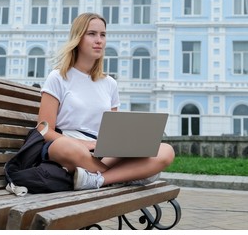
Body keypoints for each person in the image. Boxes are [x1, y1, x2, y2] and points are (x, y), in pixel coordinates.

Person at [37, 12, 175, 190]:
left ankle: (98, 180)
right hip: (70, 147)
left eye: (103, 35)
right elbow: (43, 128)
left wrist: (126, 144)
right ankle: (130, 175)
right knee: (63, 147)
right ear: (78, 38)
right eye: (92, 34)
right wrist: (83, 144)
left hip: (102, 151)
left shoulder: (109, 83)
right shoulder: (58, 77)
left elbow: (113, 131)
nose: (99, 40)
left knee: (165, 151)